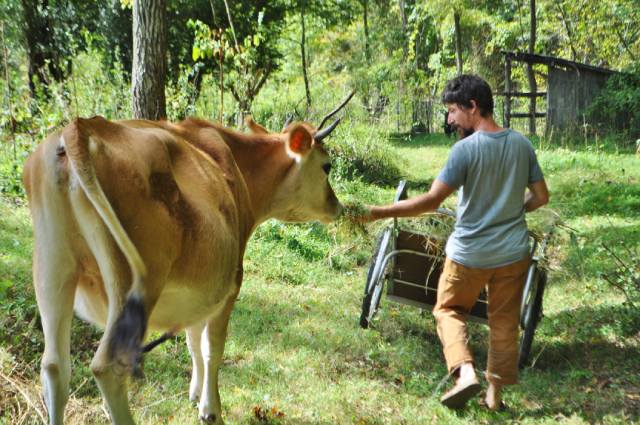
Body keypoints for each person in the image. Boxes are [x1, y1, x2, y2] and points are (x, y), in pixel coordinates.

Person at [360, 74, 549, 410]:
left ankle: (465, 374)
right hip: (513, 254)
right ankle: (494, 396)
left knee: (448, 309)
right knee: (503, 322)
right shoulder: (522, 145)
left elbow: (430, 202)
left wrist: (377, 212)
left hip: (470, 255)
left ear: (473, 106)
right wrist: (514, 208)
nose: (449, 119)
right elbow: (540, 197)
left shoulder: (464, 151)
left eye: (452, 111)